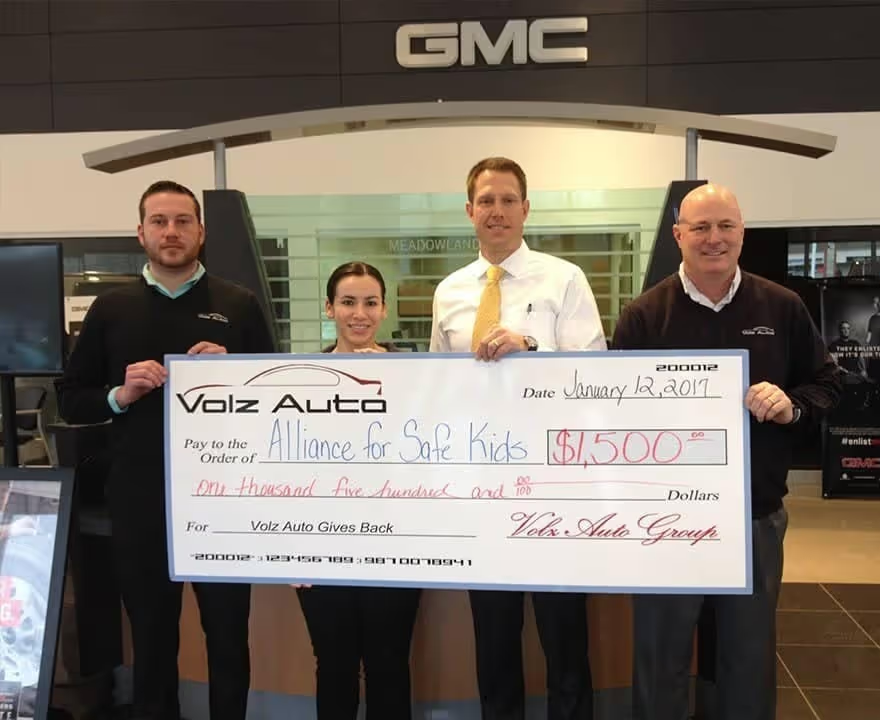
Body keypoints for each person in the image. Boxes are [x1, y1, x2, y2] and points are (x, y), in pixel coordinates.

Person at [612, 184, 841, 720]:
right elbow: (614, 413)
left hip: (753, 517)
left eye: (726, 226)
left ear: (742, 232)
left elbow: (827, 384)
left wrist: (791, 406)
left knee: (749, 657)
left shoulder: (782, 307)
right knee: (660, 657)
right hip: (664, 520)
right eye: (700, 228)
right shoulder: (644, 316)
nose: (714, 239)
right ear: (678, 236)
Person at [57, 180, 275, 720]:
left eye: (182, 221)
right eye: (160, 221)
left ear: (201, 232)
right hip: (139, 499)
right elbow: (71, 399)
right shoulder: (111, 309)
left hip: (224, 501)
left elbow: (274, 398)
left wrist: (235, 378)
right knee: (152, 640)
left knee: (227, 637)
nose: (171, 232)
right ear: (141, 233)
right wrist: (119, 394)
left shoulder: (238, 304)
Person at [430, 157, 604, 719]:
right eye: (486, 201)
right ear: (469, 212)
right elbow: (438, 386)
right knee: (494, 637)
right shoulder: (450, 291)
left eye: (508, 200)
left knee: (564, 636)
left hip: (553, 486)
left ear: (526, 209)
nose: (497, 211)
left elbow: (594, 373)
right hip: (484, 489)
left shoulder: (564, 279)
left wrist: (532, 348)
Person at [294, 261, 422, 720]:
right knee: (334, 666)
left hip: (395, 544)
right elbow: (284, 470)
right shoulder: (301, 379)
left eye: (370, 302)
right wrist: (288, 548)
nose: (359, 313)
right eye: (348, 302)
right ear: (329, 308)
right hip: (323, 547)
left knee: (389, 665)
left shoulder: (416, 377)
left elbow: (429, 460)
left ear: (384, 309)